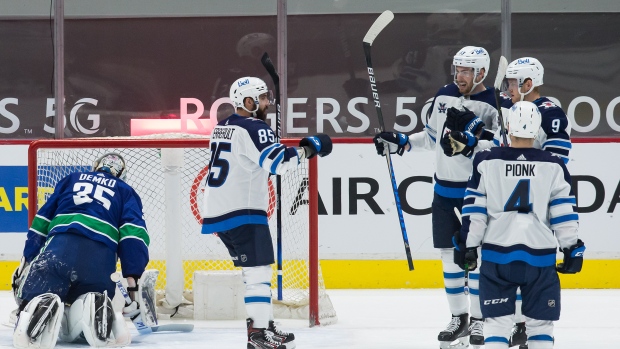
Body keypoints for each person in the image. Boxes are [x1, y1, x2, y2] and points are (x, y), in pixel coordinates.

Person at [373, 46, 499, 349]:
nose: (460, 76)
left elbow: (499, 150)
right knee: (448, 256)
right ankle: (460, 318)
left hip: (478, 194)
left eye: (467, 71)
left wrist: (472, 143)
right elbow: (431, 137)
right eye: (457, 69)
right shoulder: (443, 95)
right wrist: (402, 143)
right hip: (444, 192)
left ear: (481, 72)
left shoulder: (494, 105)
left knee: (477, 258)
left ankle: (481, 320)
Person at [201, 76, 332, 349]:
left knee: (254, 274)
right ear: (247, 102)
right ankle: (258, 333)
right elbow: (279, 163)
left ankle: (265, 325)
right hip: (243, 211)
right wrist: (310, 148)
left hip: (218, 212)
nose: (266, 103)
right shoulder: (255, 127)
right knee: (259, 275)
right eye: (261, 98)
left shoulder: (220, 127)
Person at [453, 101, 584, 349]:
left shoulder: (485, 161)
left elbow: (474, 211)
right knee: (541, 326)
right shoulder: (554, 165)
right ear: (537, 131)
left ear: (509, 127)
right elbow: (564, 214)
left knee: (497, 325)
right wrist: (571, 248)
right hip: (540, 258)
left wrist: (467, 246)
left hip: (497, 257)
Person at [12, 153, 151, 348]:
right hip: (99, 264)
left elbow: (41, 221)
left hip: (58, 251)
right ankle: (94, 305)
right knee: (91, 294)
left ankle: (40, 304)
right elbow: (133, 237)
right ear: (122, 174)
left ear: (95, 167)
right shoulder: (126, 191)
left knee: (38, 290)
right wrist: (132, 284)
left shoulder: (71, 178)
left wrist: (28, 258)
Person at [494, 57, 573, 349]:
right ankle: (520, 324)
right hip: (511, 200)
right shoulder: (506, 107)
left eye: (512, 83)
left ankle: (532, 323)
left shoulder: (550, 113)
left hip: (538, 203)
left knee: (534, 263)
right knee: (511, 260)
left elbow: (557, 162)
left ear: (529, 84)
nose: (508, 88)